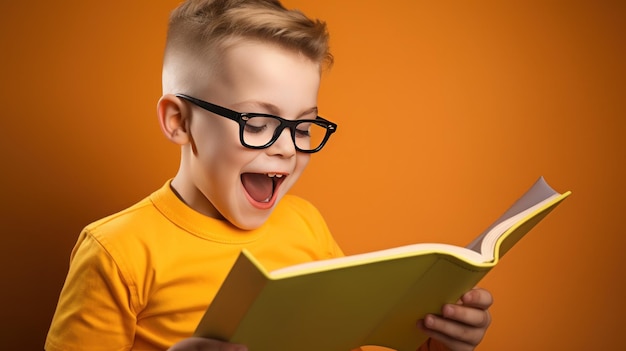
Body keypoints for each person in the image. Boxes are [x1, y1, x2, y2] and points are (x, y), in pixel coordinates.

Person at [45, 1, 493, 350]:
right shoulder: (116, 251)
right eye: (256, 123)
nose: (287, 147)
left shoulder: (306, 226)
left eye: (302, 127)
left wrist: (433, 343)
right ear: (179, 121)